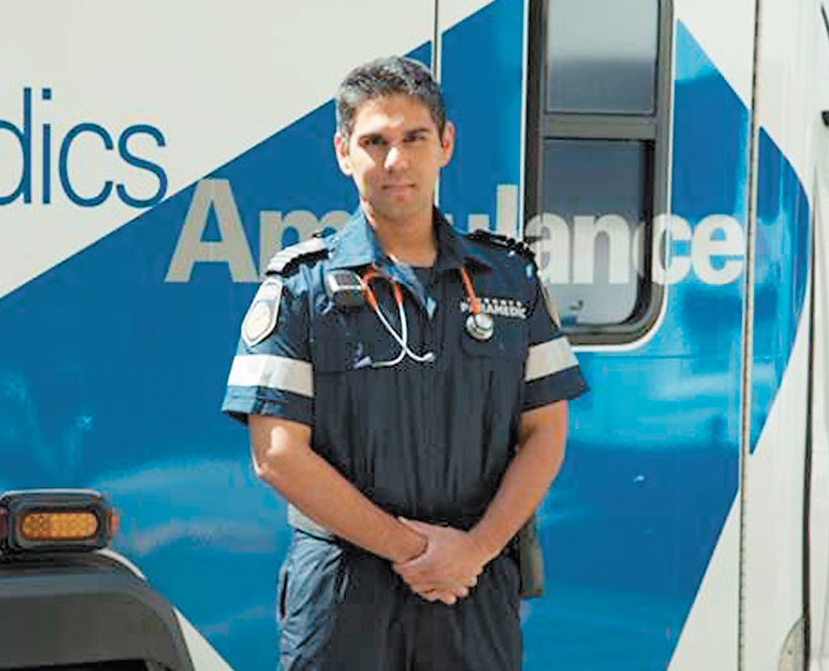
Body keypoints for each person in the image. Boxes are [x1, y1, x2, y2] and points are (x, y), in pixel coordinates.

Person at [221, 56, 587, 670]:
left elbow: (545, 433)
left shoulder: (509, 278)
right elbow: (276, 455)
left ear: (446, 144)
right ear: (343, 152)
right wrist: (417, 552)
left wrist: (475, 550)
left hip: (472, 587)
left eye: (414, 138)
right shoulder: (301, 286)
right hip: (343, 592)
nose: (395, 161)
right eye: (374, 142)